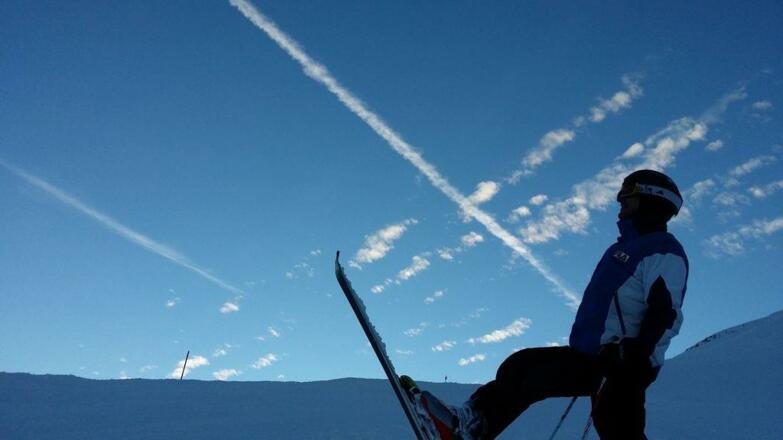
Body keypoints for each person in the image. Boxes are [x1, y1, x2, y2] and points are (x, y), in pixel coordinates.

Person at [420, 169, 689, 440]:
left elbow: (666, 311)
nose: (620, 203)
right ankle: (471, 426)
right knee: (523, 366)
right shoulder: (625, 247)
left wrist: (635, 355)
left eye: (628, 195)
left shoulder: (663, 250)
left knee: (616, 424)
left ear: (651, 199)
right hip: (592, 355)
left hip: (624, 362)